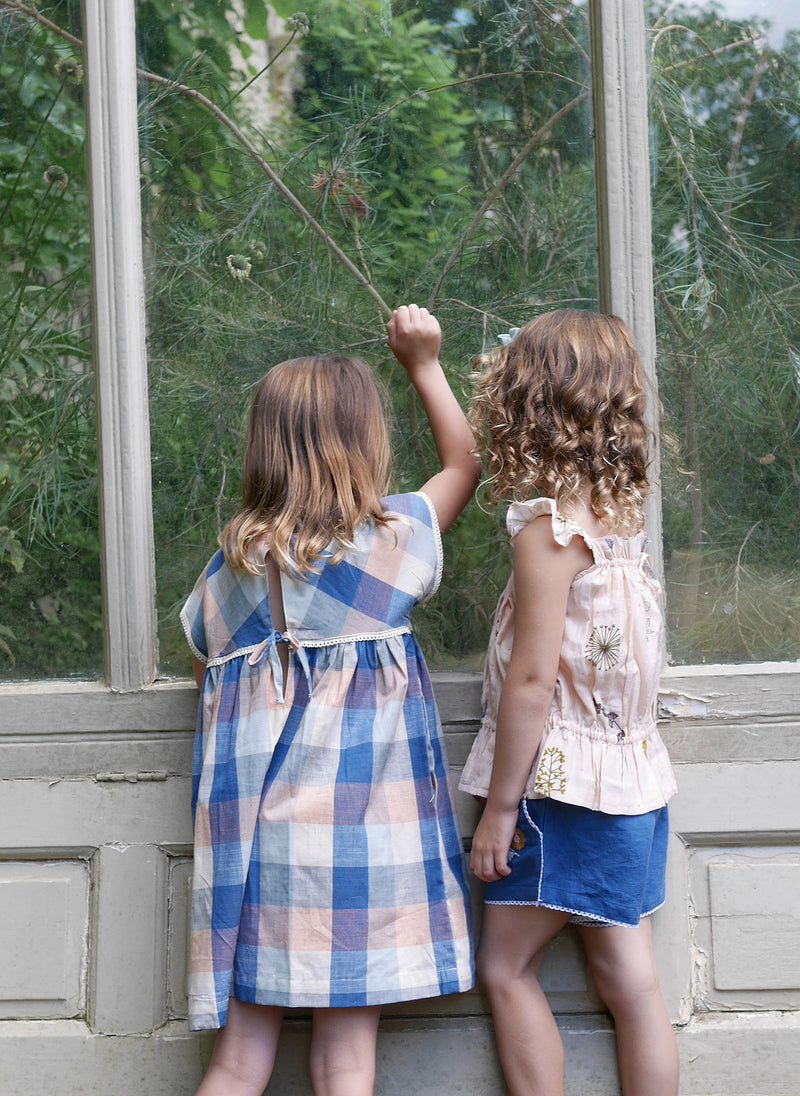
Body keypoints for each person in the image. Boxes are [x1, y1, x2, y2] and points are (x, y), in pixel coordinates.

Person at [180, 304, 479, 1096]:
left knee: (240, 1062)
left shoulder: (231, 572)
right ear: (364, 444)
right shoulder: (392, 544)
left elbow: (201, 650)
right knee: (346, 1063)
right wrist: (423, 362)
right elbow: (465, 462)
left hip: (262, 857)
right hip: (362, 852)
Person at [459, 310, 679, 1096]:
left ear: (531, 407)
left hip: (557, 790)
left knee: (506, 964)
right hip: (634, 784)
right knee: (631, 978)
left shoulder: (549, 532)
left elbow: (530, 682)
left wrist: (498, 810)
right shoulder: (622, 522)